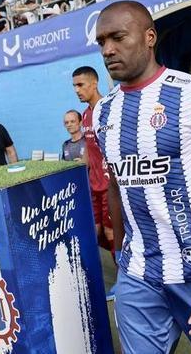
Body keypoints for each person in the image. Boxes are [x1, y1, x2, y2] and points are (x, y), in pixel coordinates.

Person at [92, 1, 191, 353]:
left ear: (149, 37)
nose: (107, 50)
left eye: (118, 37)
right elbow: (117, 186)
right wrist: (120, 256)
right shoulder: (103, 111)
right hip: (137, 276)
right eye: (102, 41)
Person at [72, 66, 114, 254]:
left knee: (111, 232)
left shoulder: (108, 110)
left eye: (80, 85)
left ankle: (123, 270)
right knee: (96, 231)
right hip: (93, 185)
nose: (77, 90)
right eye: (74, 86)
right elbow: (89, 148)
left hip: (110, 186)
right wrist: (78, 167)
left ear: (94, 83)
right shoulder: (85, 114)